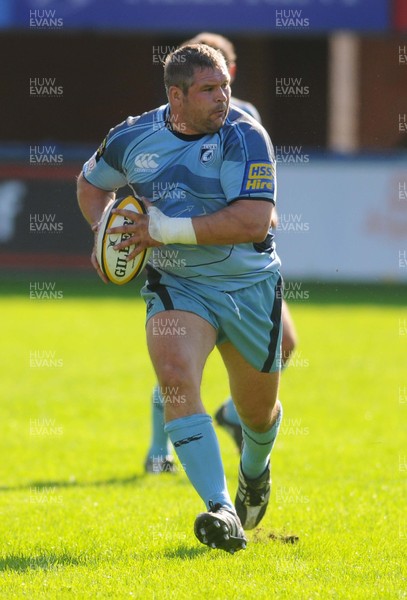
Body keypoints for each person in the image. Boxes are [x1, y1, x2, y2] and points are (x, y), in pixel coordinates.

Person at [77, 44, 283, 554]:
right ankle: (221, 508)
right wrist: (110, 233)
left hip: (249, 286)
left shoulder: (246, 135)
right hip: (178, 285)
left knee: (258, 415)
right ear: (177, 95)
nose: (223, 98)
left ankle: (254, 473)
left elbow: (253, 221)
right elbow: (88, 184)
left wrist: (161, 228)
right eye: (209, 90)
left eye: (225, 87)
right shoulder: (131, 137)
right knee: (173, 376)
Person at [143, 33, 296, 470]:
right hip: (189, 263)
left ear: (232, 70)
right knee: (178, 363)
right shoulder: (170, 123)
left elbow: (258, 192)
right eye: (208, 82)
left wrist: (262, 216)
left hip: (244, 261)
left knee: (284, 343)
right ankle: (160, 450)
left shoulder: (246, 120)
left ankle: (234, 413)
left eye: (224, 73)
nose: (219, 86)